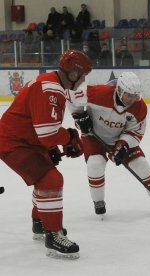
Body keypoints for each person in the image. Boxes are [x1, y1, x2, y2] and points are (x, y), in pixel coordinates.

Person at [0, 49, 92, 259]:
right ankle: (53, 235)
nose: (83, 79)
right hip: (14, 143)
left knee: (46, 177)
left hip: (26, 139)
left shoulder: (51, 82)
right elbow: (48, 133)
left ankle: (40, 223)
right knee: (51, 179)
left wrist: (52, 146)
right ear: (73, 72)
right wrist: (69, 138)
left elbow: (43, 129)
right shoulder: (50, 89)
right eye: (83, 75)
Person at [66, 72, 150, 217]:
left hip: (118, 138)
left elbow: (135, 132)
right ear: (119, 90)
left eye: (135, 95)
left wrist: (124, 145)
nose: (132, 99)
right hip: (93, 136)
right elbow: (69, 95)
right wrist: (78, 115)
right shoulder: (98, 93)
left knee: (140, 163)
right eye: (128, 94)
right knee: (95, 164)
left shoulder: (139, 107)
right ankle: (98, 201)